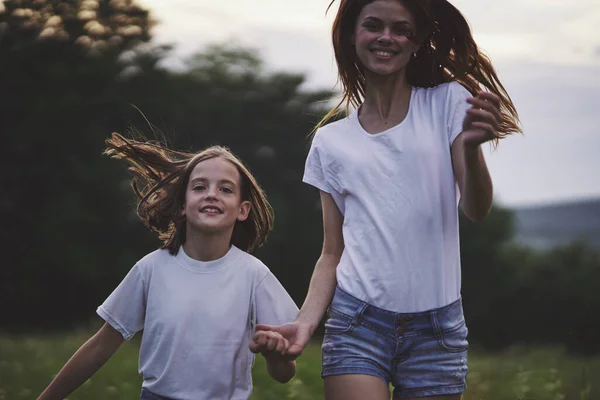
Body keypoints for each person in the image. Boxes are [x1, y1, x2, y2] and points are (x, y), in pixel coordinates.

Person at [256, 0, 522, 399]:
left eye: (401, 30)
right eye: (374, 25)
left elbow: (475, 209)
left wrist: (470, 150)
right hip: (356, 323)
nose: (386, 37)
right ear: (352, 36)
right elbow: (332, 252)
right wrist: (305, 322)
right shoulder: (331, 142)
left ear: (416, 42)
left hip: (437, 330)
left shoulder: (447, 103)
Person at [37, 133, 299, 400]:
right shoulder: (150, 269)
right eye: (199, 187)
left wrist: (274, 355)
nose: (211, 194)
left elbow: (285, 373)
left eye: (225, 189)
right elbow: (100, 346)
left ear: (242, 210)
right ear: (183, 205)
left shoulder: (254, 275)